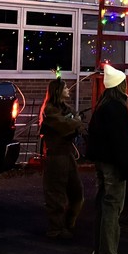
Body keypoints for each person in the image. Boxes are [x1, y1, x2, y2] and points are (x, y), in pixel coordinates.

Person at [85, 64, 128, 254]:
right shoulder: (116, 109)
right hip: (114, 164)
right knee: (112, 207)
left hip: (103, 161)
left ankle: (99, 251)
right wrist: (126, 165)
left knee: (103, 204)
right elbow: (120, 142)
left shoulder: (102, 107)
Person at [39, 75, 84, 240]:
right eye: (65, 88)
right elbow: (67, 125)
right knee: (55, 194)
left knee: (76, 192)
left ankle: (68, 224)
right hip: (56, 156)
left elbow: (74, 122)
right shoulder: (50, 110)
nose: (68, 90)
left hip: (67, 155)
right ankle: (56, 229)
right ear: (58, 91)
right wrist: (75, 122)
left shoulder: (65, 108)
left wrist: (74, 121)